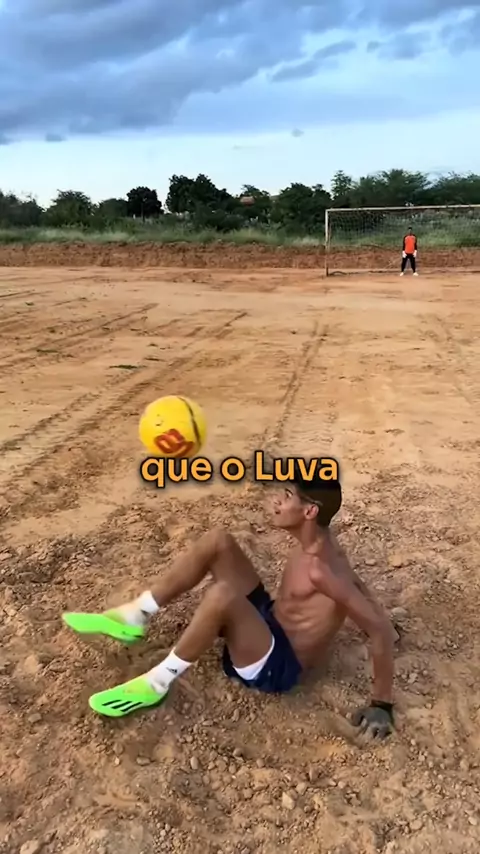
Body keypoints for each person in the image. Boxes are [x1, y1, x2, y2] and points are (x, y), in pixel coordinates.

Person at [63, 467, 398, 739]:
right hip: (269, 624)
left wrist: (381, 704)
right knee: (218, 541)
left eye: (287, 496)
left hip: (277, 666)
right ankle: (137, 613)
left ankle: (156, 683)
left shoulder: (320, 569)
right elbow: (354, 582)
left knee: (223, 594)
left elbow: (376, 627)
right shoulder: (323, 545)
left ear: (310, 511)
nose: (277, 501)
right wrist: (381, 616)